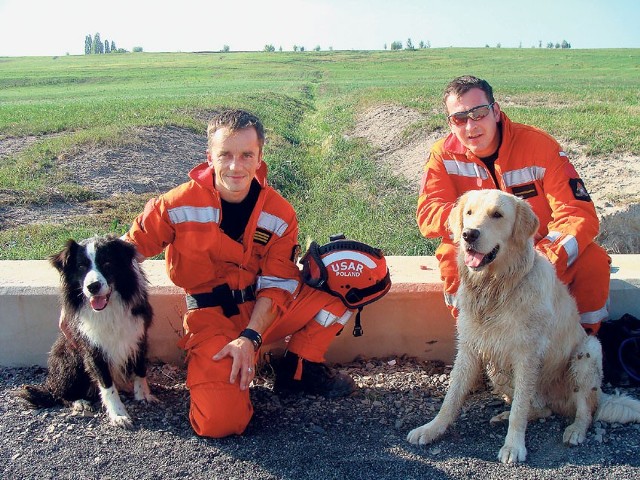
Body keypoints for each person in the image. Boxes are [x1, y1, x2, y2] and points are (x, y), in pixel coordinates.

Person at [118, 109, 355, 437]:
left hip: (263, 317)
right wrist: (76, 304)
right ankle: (219, 369)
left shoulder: (279, 211)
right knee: (221, 423)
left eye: (246, 155)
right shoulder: (175, 204)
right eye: (225, 154)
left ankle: (298, 369)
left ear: (259, 158)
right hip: (211, 320)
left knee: (351, 282)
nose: (235, 166)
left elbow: (277, 284)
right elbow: (119, 257)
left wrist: (251, 337)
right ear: (209, 157)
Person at [417, 75, 610, 335]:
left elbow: (577, 213)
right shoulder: (442, 155)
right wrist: (472, 218)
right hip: (481, 255)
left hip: (540, 252)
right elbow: (428, 212)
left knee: (593, 261)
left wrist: (544, 258)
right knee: (452, 259)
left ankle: (582, 344)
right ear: (450, 124)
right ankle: (480, 345)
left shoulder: (540, 146)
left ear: (495, 111)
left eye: (479, 113)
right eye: (459, 119)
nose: (470, 125)